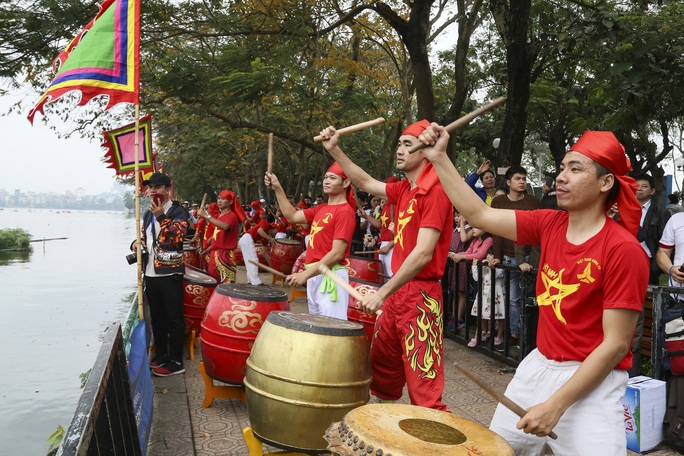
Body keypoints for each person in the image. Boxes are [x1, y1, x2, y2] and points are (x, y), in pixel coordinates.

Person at [419, 126, 648, 455]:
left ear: (605, 183)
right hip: (537, 367)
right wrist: (439, 157)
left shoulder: (623, 250)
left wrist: (555, 406)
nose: (561, 177)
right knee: (496, 451)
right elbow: (478, 213)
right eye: (562, 168)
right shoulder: (549, 223)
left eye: (575, 169)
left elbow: (615, 345)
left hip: (592, 382)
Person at [318, 119, 453, 411]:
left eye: (407, 144)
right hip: (396, 294)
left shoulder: (437, 191)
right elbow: (365, 182)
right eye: (399, 144)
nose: (399, 150)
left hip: (421, 300)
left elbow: (423, 254)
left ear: (426, 147)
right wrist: (335, 151)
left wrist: (382, 292)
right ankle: (386, 428)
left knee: (423, 384)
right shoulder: (403, 189)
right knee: (383, 368)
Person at [265, 162, 356, 319]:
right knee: (317, 328)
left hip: (330, 276)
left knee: (331, 330)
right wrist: (278, 188)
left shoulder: (345, 212)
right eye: (326, 177)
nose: (326, 181)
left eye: (333, 178)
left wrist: (305, 274)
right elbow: (291, 216)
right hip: (314, 274)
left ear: (346, 183)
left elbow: (337, 254)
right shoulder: (321, 208)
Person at [130, 172, 189, 377]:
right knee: (157, 317)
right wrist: (137, 243)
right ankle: (162, 354)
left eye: (157, 187)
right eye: (150, 188)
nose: (153, 191)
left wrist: (161, 217)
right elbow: (145, 238)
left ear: (167, 189)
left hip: (170, 272)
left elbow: (176, 238)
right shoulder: (147, 214)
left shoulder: (178, 211)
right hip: (151, 273)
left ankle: (176, 360)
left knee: (174, 317)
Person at [490, 165, 541, 347]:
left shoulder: (534, 201)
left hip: (531, 256)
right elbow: (495, 229)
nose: (522, 182)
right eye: (518, 178)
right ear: (509, 182)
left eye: (524, 178)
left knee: (531, 298)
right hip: (508, 257)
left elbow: (538, 230)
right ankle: (514, 334)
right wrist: (496, 255)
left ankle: (529, 337)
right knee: (512, 298)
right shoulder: (499, 202)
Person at [198, 190, 246, 284]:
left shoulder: (232, 216)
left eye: (223, 199)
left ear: (230, 202)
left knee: (226, 285)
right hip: (214, 254)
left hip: (226, 256)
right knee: (214, 283)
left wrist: (207, 216)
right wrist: (206, 251)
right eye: (219, 198)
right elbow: (217, 241)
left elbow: (225, 226)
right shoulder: (220, 217)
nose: (219, 201)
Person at [446, 210, 473, 332]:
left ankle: (459, 317)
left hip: (463, 264)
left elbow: (463, 240)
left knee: (462, 292)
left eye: (460, 216)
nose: (457, 218)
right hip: (453, 263)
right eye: (456, 216)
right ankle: (453, 316)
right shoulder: (453, 230)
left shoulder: (469, 230)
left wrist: (462, 224)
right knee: (454, 290)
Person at [239, 215, 278, 285]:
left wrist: (271, 266)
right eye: (276, 231)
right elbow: (260, 231)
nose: (275, 233)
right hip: (247, 238)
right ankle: (256, 282)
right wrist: (270, 238)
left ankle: (250, 280)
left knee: (249, 261)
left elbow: (264, 252)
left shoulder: (266, 236)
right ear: (273, 228)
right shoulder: (266, 224)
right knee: (253, 260)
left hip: (246, 240)